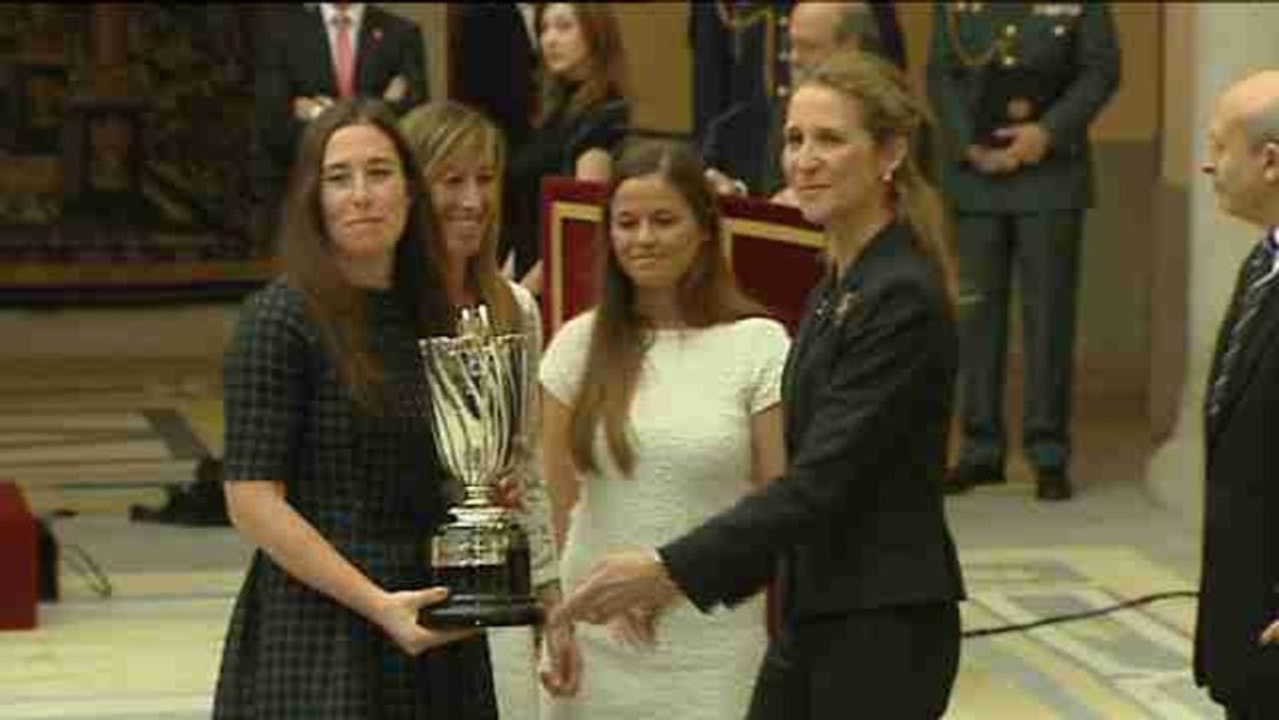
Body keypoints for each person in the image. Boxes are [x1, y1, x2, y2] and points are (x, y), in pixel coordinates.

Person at [549, 50, 966, 720]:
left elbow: (819, 481)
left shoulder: (900, 294)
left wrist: (669, 569)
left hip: (880, 624)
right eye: (794, 139)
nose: (803, 159)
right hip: (821, 610)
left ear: (888, 153)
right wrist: (677, 585)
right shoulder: (841, 285)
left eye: (830, 139)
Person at [213, 98, 496, 719]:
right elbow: (252, 499)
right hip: (320, 625)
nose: (362, 194)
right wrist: (375, 603)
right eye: (340, 178)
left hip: (429, 610)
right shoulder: (279, 320)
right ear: (314, 199)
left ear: (410, 193)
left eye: (380, 173)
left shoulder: (429, 313)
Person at [535, 138, 790, 719]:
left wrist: (673, 580)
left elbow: (778, 501)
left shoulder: (759, 344)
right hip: (597, 639)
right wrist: (555, 617)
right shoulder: (578, 344)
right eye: (627, 222)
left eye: (663, 220)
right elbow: (549, 505)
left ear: (704, 229)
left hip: (712, 634)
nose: (643, 238)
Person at [399, 98, 561, 719]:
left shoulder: (515, 307)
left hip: (496, 584)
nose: (473, 200)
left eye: (485, 180)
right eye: (452, 181)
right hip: (403, 578)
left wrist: (547, 592)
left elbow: (525, 466)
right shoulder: (383, 310)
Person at [929, 1, 1120, 500]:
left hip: (1052, 177)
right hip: (975, 177)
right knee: (975, 318)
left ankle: (1048, 451)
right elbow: (941, 74)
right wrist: (964, 144)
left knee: (1048, 317)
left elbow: (1101, 69)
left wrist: (1048, 133)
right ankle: (980, 448)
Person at [1195, 70, 1279, 720]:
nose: (1206, 164)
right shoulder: (1261, 263)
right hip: (1248, 618)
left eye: (1219, 146)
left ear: (1269, 161)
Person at [253, 3, 428, 247]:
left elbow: (413, 120)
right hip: (302, 195)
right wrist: (382, 104)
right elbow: (275, 124)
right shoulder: (282, 33)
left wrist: (317, 112)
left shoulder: (401, 33)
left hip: (378, 205)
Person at [704, 1, 907, 202]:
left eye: (807, 47)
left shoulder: (895, 121)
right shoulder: (780, 113)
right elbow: (772, 196)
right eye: (791, 45)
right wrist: (739, 200)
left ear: (851, 47)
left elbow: (904, 210)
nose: (794, 58)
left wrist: (813, 202)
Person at [505, 2, 630, 297]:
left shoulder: (603, 117)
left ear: (596, 33)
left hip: (560, 287)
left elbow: (581, 226)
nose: (549, 39)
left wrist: (523, 295)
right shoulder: (553, 114)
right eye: (544, 29)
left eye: (563, 27)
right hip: (527, 279)